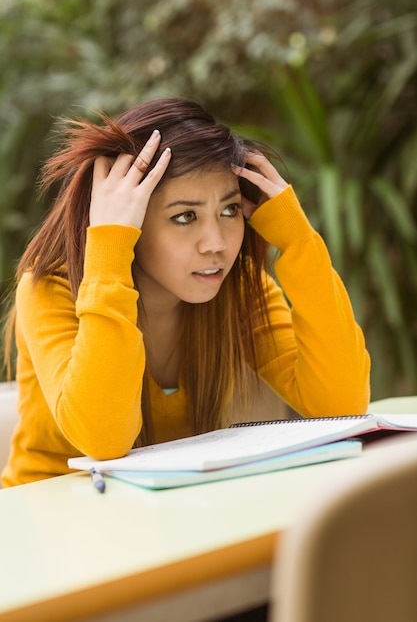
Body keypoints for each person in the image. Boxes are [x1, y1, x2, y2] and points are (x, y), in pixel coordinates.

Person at [1, 98, 370, 487]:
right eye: (184, 217)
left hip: (166, 514)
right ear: (128, 217)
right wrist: (109, 246)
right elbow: (103, 439)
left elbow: (341, 406)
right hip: (48, 516)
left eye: (229, 211)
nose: (216, 244)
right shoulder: (51, 290)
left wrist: (298, 243)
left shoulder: (236, 289)